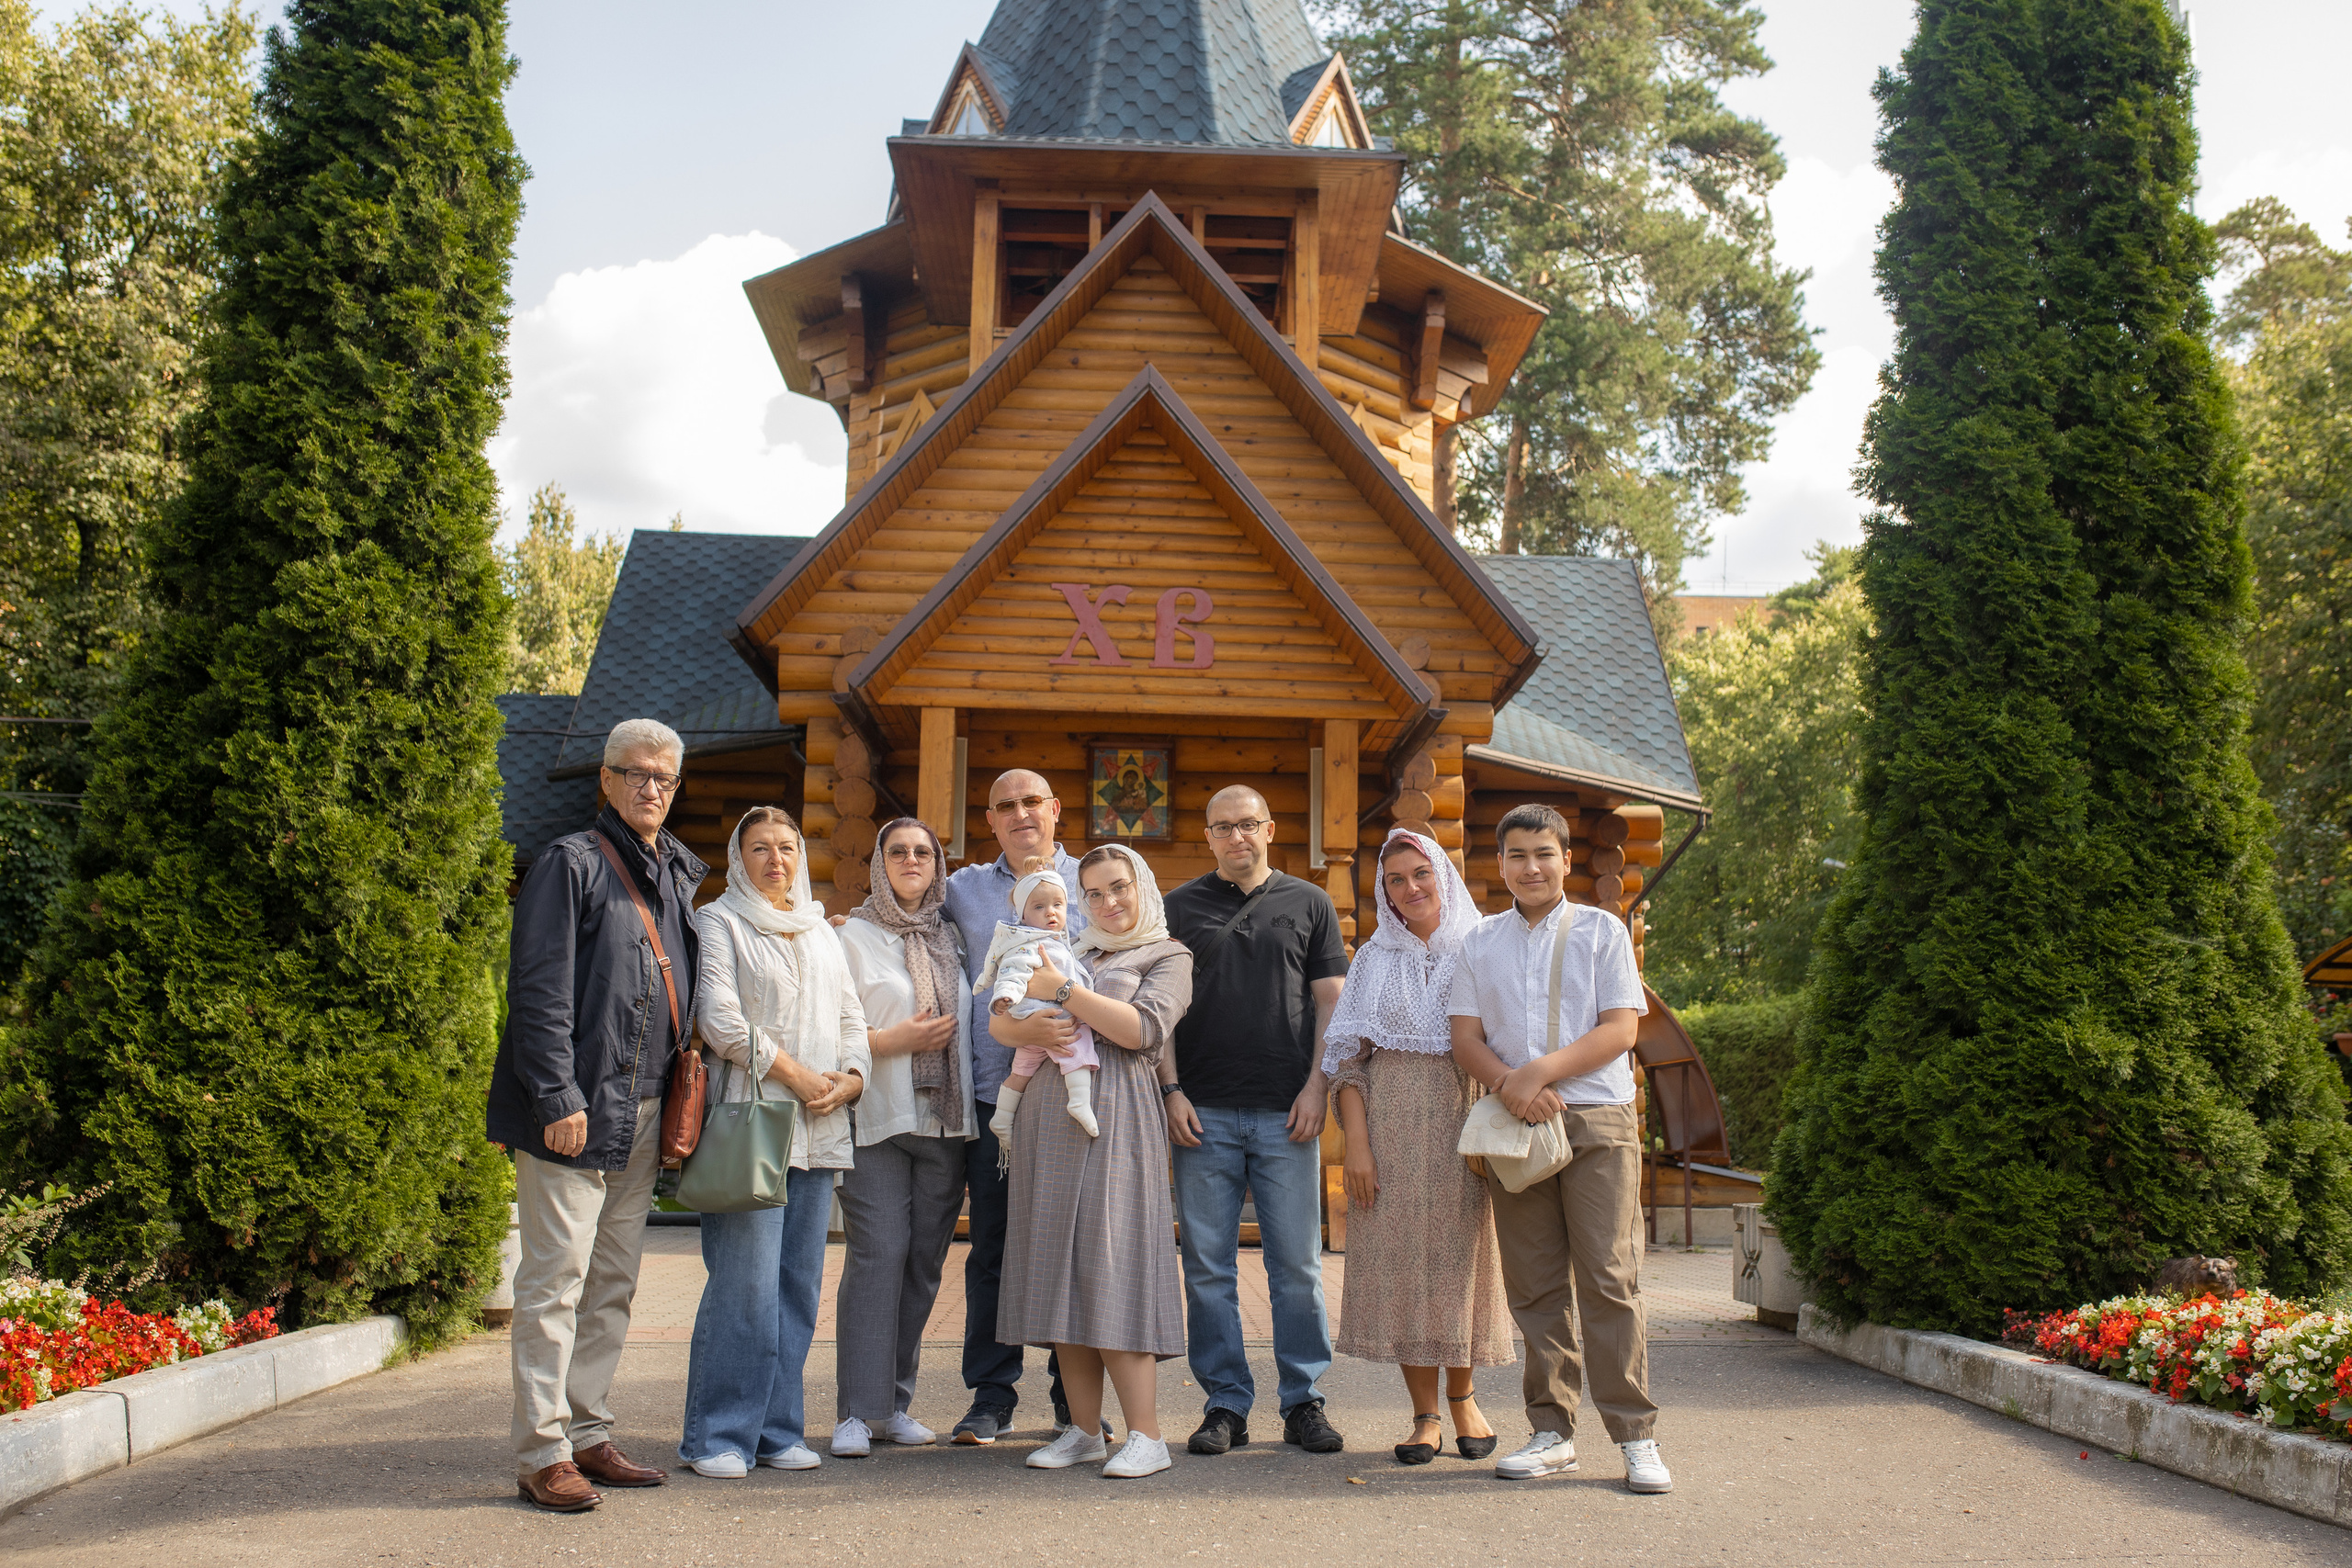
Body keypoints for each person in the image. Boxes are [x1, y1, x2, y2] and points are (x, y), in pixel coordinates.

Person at [489, 717, 705, 1512]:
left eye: (666, 778)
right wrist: (556, 1096)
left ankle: (587, 1429)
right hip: (576, 1110)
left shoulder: (675, 871)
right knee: (555, 1282)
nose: (653, 788)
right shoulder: (570, 862)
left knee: (611, 1281)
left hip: (644, 1109)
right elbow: (540, 988)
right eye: (637, 773)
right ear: (607, 780)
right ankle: (542, 1451)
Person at [1448, 802, 1672, 1495]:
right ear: (1501, 864)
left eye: (1544, 853)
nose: (1531, 866)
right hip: (1517, 1128)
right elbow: (1465, 1037)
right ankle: (1552, 1431)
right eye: (1517, 855)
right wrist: (1511, 1087)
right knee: (1536, 1284)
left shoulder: (1604, 930)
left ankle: (1636, 1436)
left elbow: (1621, 1029)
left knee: (1608, 1277)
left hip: (1596, 1119)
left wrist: (1538, 1073)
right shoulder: (1479, 942)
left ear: (1566, 860)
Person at [679, 807, 868, 1478]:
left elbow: (851, 1015)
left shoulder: (821, 929)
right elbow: (720, 1020)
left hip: (819, 1126)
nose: (776, 860)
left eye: (787, 847)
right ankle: (719, 1435)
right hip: (752, 1122)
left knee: (796, 1287)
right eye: (760, 848)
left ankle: (778, 1429)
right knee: (745, 1286)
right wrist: (794, 1072)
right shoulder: (719, 920)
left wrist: (849, 1080)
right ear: (739, 856)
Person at [1161, 784, 1350, 1458]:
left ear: (1270, 827)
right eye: (1223, 826)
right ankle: (1225, 1402)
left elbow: (1333, 1003)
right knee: (1207, 1266)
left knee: (1295, 1265)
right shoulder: (1177, 907)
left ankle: (1303, 1399)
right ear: (1208, 835)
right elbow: (1162, 1009)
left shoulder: (1310, 903)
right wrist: (1170, 1089)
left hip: (1286, 1110)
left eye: (1248, 824)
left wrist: (1318, 1086)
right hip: (1201, 1113)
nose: (1237, 836)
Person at [997, 845, 1193, 1479]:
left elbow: (1141, 1030)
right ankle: (1083, 1430)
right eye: (1095, 892)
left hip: (1119, 1114)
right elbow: (1008, 1017)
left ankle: (1148, 1435)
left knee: (1113, 1262)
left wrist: (1062, 992)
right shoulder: (1070, 949)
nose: (1107, 903)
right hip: (1047, 1118)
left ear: (1142, 888)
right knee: (1062, 1267)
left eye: (1118, 888)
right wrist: (1027, 1026)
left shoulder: (1168, 954)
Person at [1325, 829, 1511, 1464]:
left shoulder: (1484, 947)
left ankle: (1464, 1398)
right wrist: (1358, 1147)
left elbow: (1509, 1041)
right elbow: (1348, 1063)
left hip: (1467, 1124)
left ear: (1443, 876)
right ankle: (1424, 1413)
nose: (1410, 889)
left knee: (1461, 1265)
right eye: (1396, 880)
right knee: (1405, 1268)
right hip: (1390, 1130)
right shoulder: (1374, 959)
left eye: (1420, 874)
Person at [940, 771, 1081, 1443]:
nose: (1021, 813)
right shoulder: (964, 889)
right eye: (1006, 805)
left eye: (1033, 802)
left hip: (1073, 1098)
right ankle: (991, 1395)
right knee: (991, 1248)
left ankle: (1071, 1397)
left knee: (1069, 1248)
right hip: (995, 1094)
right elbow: (905, 912)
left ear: (1055, 810)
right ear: (990, 819)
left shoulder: (1097, 878)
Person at [832, 818, 974, 1457]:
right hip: (880, 1121)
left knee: (922, 1264)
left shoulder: (953, 937)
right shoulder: (851, 936)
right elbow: (830, 1033)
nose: (912, 859)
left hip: (946, 1124)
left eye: (924, 851)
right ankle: (855, 1412)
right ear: (878, 862)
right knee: (877, 1256)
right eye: (899, 850)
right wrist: (897, 1041)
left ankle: (893, 1405)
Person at [980, 869, 1100, 1141]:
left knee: (1021, 1071)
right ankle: (1080, 1100)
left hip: (1033, 1023)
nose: (1051, 912)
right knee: (1077, 1046)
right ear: (1023, 916)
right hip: (1050, 1017)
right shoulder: (1029, 943)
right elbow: (1013, 971)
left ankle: (1002, 1117)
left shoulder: (1056, 940)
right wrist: (1006, 996)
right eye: (1039, 907)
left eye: (1058, 905)